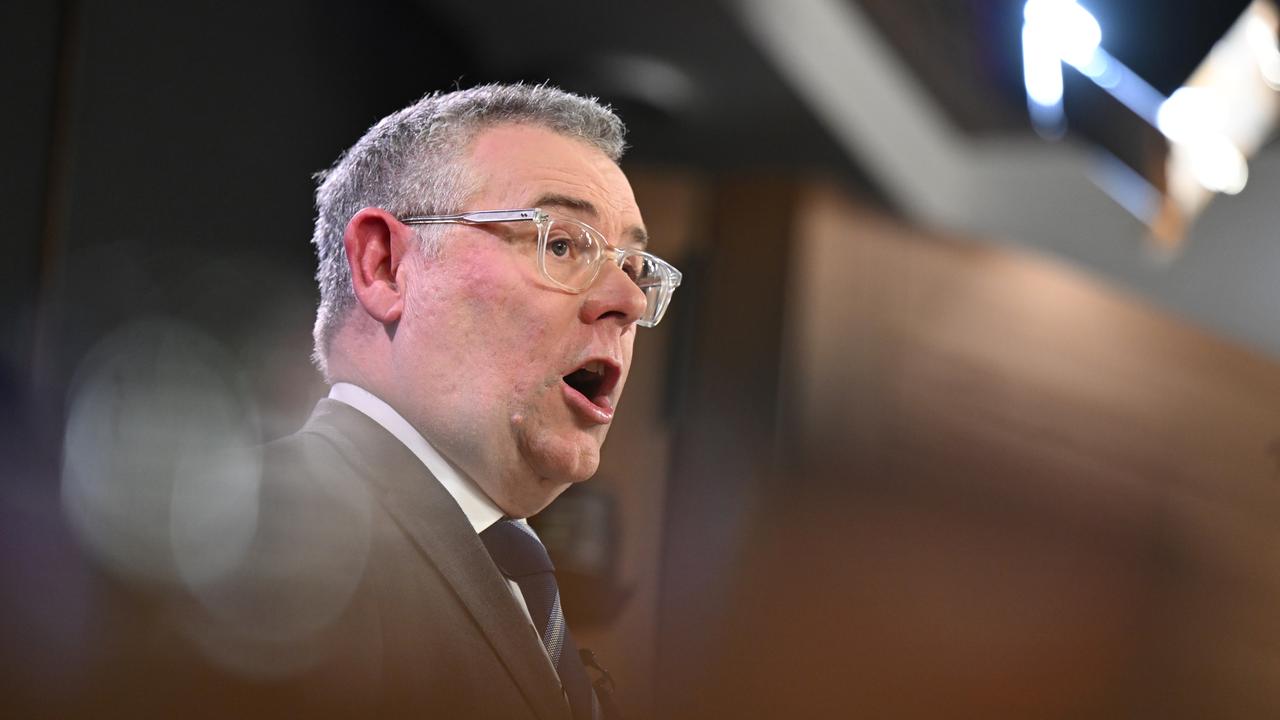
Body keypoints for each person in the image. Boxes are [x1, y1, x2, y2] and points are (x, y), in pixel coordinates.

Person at [157, 84, 680, 719]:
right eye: (563, 244)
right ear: (384, 266)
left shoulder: (512, 575)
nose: (626, 301)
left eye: (633, 267)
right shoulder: (249, 548)